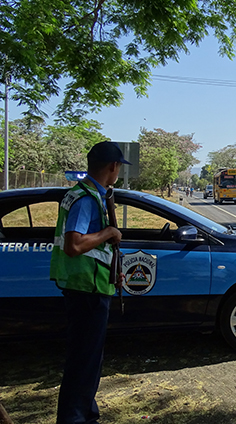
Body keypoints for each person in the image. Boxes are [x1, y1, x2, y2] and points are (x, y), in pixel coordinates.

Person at [50, 141, 130, 424]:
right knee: (83, 363)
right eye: (119, 167)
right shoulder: (86, 198)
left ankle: (86, 415)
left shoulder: (91, 194)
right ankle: (74, 418)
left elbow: (92, 250)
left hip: (91, 283)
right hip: (86, 289)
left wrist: (111, 271)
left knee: (88, 362)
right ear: (113, 166)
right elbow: (74, 245)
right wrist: (109, 232)